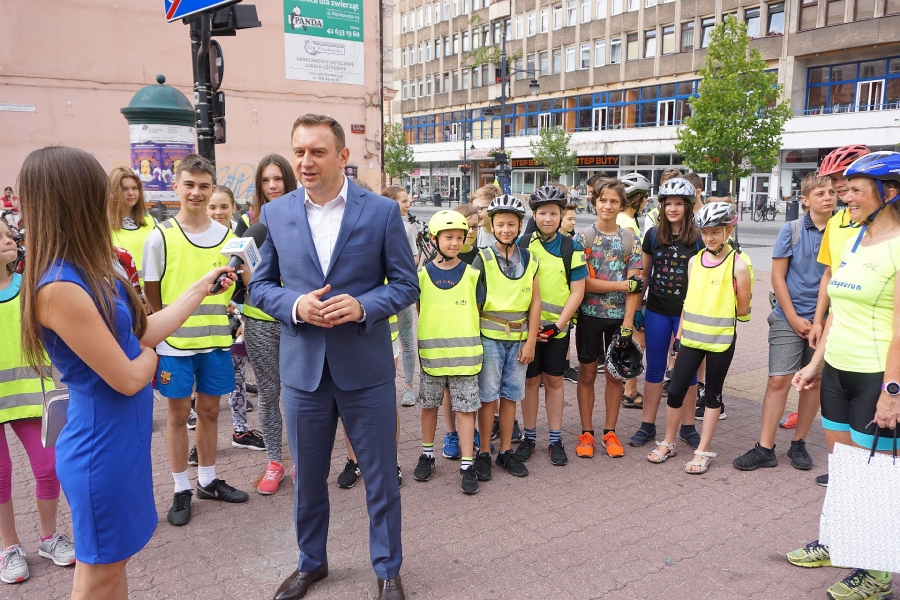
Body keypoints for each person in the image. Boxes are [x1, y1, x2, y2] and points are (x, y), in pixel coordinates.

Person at [18, 145, 235, 600]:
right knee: (98, 576)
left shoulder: (88, 267)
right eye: (99, 190)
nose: (110, 199)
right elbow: (129, 375)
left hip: (121, 440)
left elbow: (143, 330)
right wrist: (155, 354)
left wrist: (198, 289)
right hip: (101, 448)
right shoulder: (59, 286)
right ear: (75, 199)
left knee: (111, 568)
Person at [249, 114, 417, 600]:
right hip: (303, 371)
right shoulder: (275, 214)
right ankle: (311, 564)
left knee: (381, 478)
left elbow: (406, 284)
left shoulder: (381, 212)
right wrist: (294, 305)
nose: (305, 161)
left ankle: (388, 570)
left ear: (343, 156)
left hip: (365, 370)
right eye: (299, 151)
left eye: (317, 152)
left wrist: (363, 305)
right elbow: (259, 286)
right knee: (307, 480)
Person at [786, 151, 900, 600]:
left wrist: (892, 391)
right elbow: (836, 312)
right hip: (837, 372)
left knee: (874, 480)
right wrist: (815, 365)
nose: (843, 196)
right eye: (844, 189)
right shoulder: (855, 239)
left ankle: (877, 575)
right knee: (845, 472)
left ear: (889, 193)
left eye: (855, 190)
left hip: (876, 377)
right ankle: (837, 541)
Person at [143, 154, 249, 527]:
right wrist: (164, 329)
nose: (196, 192)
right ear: (176, 186)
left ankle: (207, 480)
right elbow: (151, 293)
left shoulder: (230, 239)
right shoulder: (160, 237)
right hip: (174, 346)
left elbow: (238, 288)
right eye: (189, 184)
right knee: (177, 416)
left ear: (212, 188)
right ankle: (180, 488)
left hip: (215, 342)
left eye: (204, 186)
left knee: (209, 412)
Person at [732, 173, 834, 472]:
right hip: (788, 317)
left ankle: (799, 443)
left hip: (825, 321)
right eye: (820, 193)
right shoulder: (792, 229)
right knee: (778, 379)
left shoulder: (842, 231)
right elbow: (778, 277)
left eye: (831, 193)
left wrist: (820, 321)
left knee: (813, 383)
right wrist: (792, 317)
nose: (828, 198)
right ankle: (765, 448)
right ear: (805, 200)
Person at [647, 202, 752, 474]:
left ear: (729, 230)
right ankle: (668, 442)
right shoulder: (694, 261)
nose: (709, 237)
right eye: (705, 232)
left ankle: (702, 451)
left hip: (720, 342)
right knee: (676, 391)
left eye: (716, 232)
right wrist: (679, 335)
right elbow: (688, 301)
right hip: (691, 339)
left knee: (712, 396)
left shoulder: (739, 265)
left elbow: (743, 310)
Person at [0, 219, 75, 585]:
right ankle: (9, 547)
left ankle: (48, 537)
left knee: (49, 467)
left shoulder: (31, 286)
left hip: (33, 398)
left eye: (7, 233)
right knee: (0, 476)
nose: (7, 240)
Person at [626, 178, 703, 450]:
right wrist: (637, 308)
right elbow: (645, 275)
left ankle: (688, 426)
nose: (672, 209)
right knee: (655, 368)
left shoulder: (699, 238)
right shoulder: (652, 236)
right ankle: (647, 425)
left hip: (687, 315)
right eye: (668, 204)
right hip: (657, 311)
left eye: (678, 204)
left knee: (687, 371)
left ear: (688, 207)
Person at [237, 154, 298, 495]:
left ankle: (302, 460)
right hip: (260, 320)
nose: (273, 186)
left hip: (296, 319)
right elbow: (245, 276)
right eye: (265, 180)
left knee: (300, 393)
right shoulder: (249, 223)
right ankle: (274, 461)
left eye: (278, 179)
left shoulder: (304, 217)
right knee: (269, 393)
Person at [412, 211, 484, 494]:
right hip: (432, 358)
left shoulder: (472, 274)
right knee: (429, 406)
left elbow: (477, 310)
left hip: (466, 360)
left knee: (466, 410)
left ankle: (467, 463)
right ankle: (427, 454)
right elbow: (421, 309)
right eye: (448, 237)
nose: (454, 243)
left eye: (459, 238)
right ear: (434, 239)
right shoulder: (421, 276)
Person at [470, 195, 541, 479]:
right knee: (488, 397)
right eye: (500, 224)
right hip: (490, 337)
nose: (506, 229)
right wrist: (475, 340)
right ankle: (484, 452)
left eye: (512, 224)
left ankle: (505, 452)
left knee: (511, 395)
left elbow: (535, 302)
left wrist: (531, 340)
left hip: (519, 339)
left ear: (520, 225)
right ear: (492, 225)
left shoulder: (529, 259)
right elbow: (476, 303)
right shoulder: (483, 258)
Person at [516, 186, 586, 466]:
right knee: (530, 381)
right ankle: (530, 437)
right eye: (542, 213)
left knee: (555, 381)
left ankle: (555, 439)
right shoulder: (522, 245)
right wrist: (527, 328)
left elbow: (577, 291)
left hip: (557, 328)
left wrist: (558, 325)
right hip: (529, 330)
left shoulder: (572, 247)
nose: (548, 218)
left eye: (554, 213)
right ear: (534, 215)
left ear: (562, 215)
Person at [573, 178, 642, 459]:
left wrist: (628, 323)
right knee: (587, 374)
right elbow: (583, 283)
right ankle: (586, 432)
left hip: (618, 320)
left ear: (621, 204)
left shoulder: (630, 240)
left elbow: (636, 286)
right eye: (603, 200)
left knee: (615, 376)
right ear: (594, 202)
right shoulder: (582, 238)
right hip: (589, 316)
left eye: (614, 201)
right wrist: (622, 284)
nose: (608, 206)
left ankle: (610, 432)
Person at [207, 185, 265, 452]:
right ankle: (200, 444)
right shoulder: (195, 240)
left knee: (237, 378)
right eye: (212, 206)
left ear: (233, 208)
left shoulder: (240, 241)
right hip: (201, 325)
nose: (217, 212)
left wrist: (240, 311)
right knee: (203, 388)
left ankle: (240, 430)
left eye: (223, 206)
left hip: (236, 322)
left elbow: (252, 283)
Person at [381, 185, 418, 407]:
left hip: (401, 292)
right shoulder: (377, 224)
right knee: (386, 338)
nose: (407, 204)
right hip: (383, 293)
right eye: (403, 201)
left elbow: (414, 258)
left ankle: (409, 387)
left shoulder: (407, 228)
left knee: (406, 337)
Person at [617, 173, 651, 409]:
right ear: (638, 198)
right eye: (645, 197)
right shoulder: (628, 224)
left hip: (618, 289)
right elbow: (634, 264)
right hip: (630, 290)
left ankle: (623, 382)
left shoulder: (620, 219)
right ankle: (630, 390)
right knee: (637, 341)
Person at [108, 167, 155, 287]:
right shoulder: (104, 225)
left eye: (134, 188)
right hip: (121, 290)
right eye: (124, 189)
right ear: (113, 192)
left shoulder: (151, 221)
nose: (131, 193)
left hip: (151, 290)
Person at [469, 184, 501, 248]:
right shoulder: (473, 234)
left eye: (479, 209)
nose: (475, 213)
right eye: (473, 208)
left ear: (494, 209)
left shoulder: (510, 237)